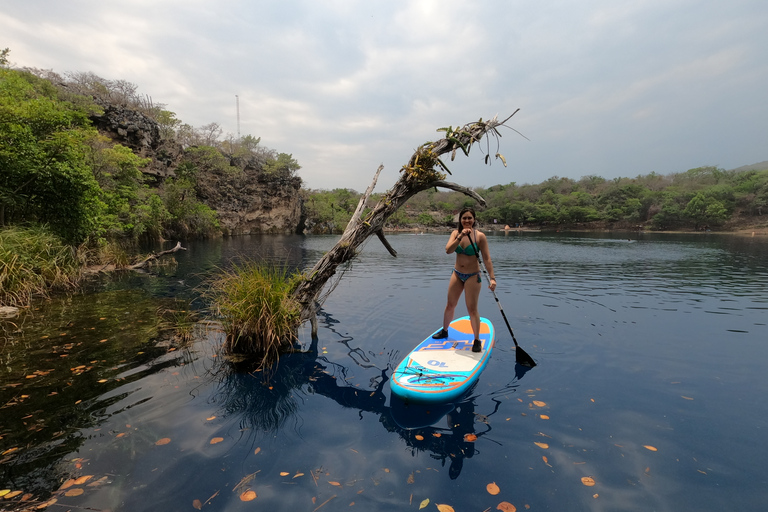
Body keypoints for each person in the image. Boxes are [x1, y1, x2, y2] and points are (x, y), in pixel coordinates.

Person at [432, 207, 497, 352]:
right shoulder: (455, 233)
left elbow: (486, 258)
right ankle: (445, 330)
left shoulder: (479, 236)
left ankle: (477, 340)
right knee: (450, 305)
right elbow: (448, 250)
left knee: (472, 309)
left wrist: (492, 278)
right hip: (457, 274)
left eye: (469, 218)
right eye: (464, 218)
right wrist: (460, 236)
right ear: (460, 220)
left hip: (473, 276)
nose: (467, 220)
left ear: (474, 220)